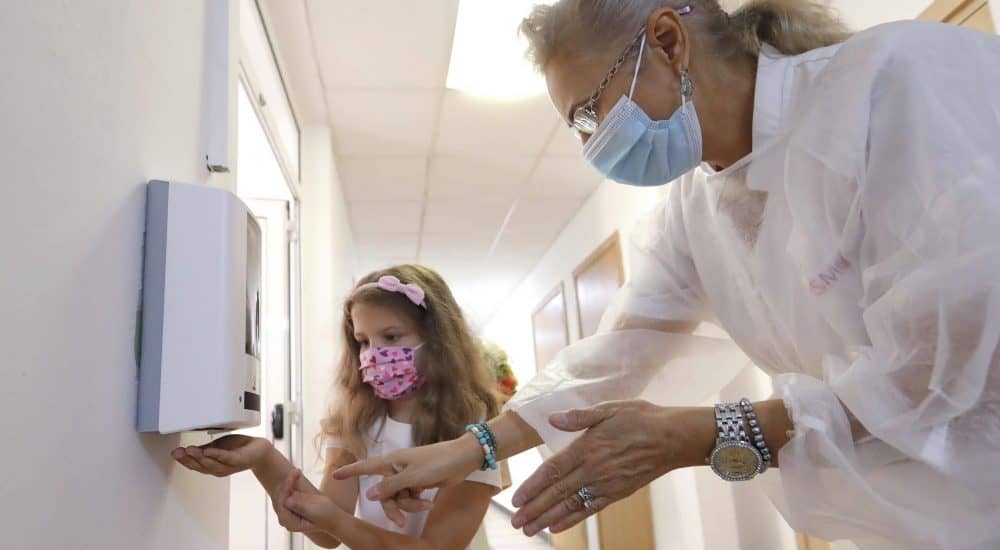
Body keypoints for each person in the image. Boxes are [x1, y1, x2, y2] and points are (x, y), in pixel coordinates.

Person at [331, 1, 1000, 548]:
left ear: (669, 40)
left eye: (590, 112)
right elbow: (617, 354)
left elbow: (957, 367)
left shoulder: (895, 81)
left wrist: (696, 433)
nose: (590, 145)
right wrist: (471, 446)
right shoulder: (698, 208)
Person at [172, 265, 503, 549]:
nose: (373, 354)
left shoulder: (477, 430)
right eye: (363, 341)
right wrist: (264, 459)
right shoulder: (355, 418)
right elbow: (327, 530)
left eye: (391, 337)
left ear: (439, 342)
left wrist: (336, 522)